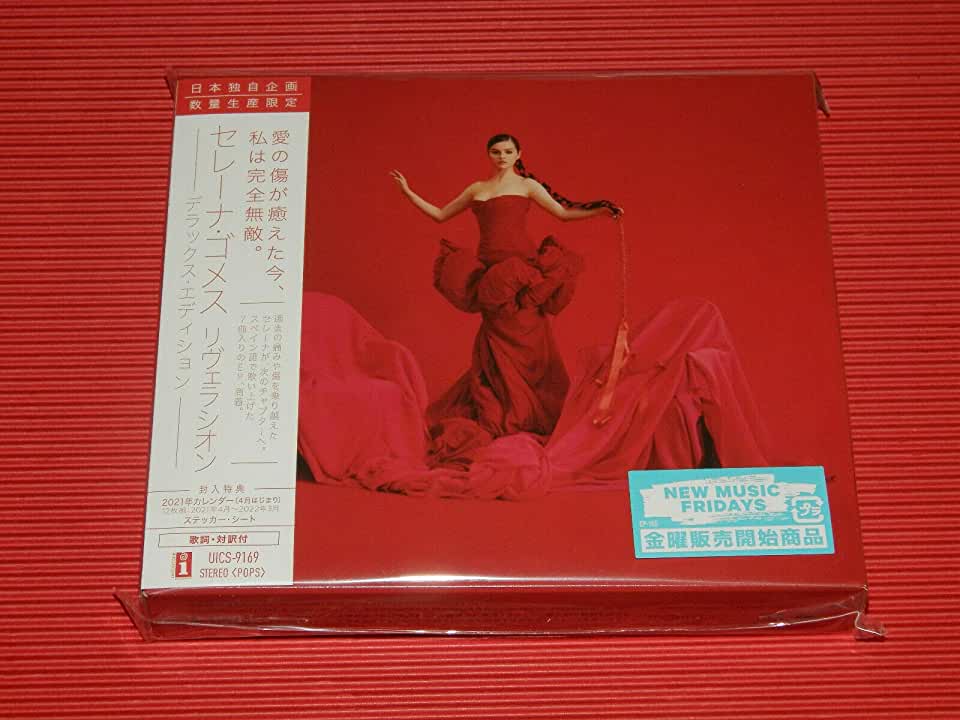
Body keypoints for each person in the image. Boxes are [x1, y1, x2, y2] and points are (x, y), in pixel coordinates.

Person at [389, 134, 622, 466]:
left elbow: (562, 213)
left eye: (508, 151)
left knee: (530, 343)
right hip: (491, 279)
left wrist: (600, 211)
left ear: (518, 154)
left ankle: (532, 413)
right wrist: (408, 192)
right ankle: (503, 410)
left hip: (521, 274)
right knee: (495, 345)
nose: (502, 156)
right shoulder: (476, 189)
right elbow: (440, 215)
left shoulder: (527, 186)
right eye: (496, 152)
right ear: (488, 154)